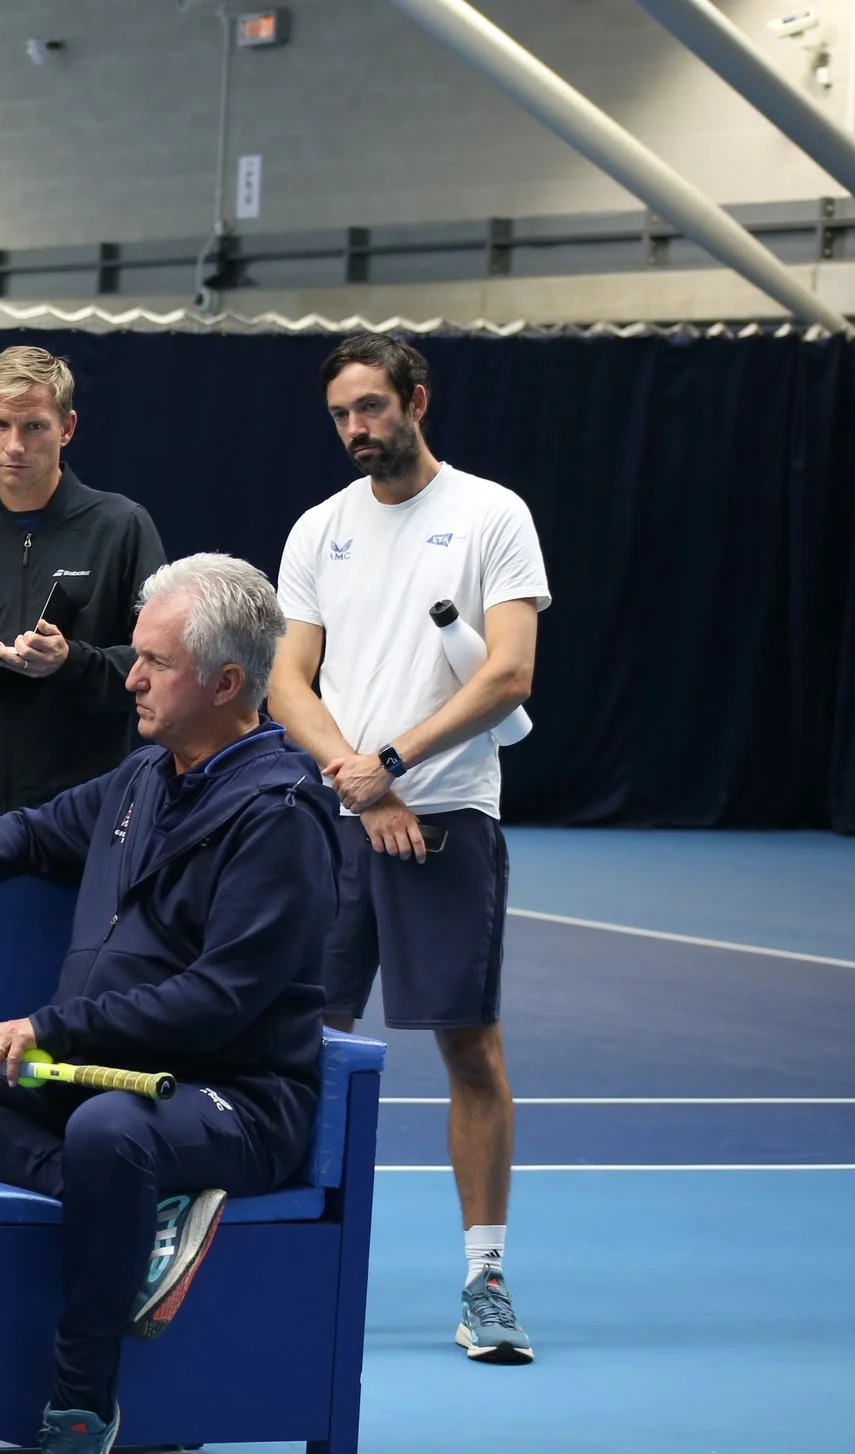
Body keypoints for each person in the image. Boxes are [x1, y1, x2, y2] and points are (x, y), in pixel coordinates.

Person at [0, 556, 338, 1454]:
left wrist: (51, 1026)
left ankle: (77, 1419)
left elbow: (220, 999)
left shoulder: (282, 816)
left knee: (112, 1134)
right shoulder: (140, 776)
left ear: (223, 683)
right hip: (90, 1082)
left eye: (154, 663)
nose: (129, 677)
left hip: (226, 1097)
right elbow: (34, 831)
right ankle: (130, 1209)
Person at [267, 333, 547, 1367]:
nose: (356, 428)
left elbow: (507, 673)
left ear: (415, 401)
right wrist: (354, 774)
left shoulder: (490, 514)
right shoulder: (317, 530)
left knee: (468, 1047)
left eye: (373, 407)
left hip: (449, 820)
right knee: (298, 1042)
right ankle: (279, 1260)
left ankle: (485, 1279)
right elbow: (287, 680)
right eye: (342, 412)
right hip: (330, 825)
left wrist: (391, 763)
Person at [0, 346, 167, 849]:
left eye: (34, 427)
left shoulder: (122, 527)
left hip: (80, 808)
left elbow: (155, 666)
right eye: (1, 425)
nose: (15, 446)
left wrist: (71, 661)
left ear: (66, 428)